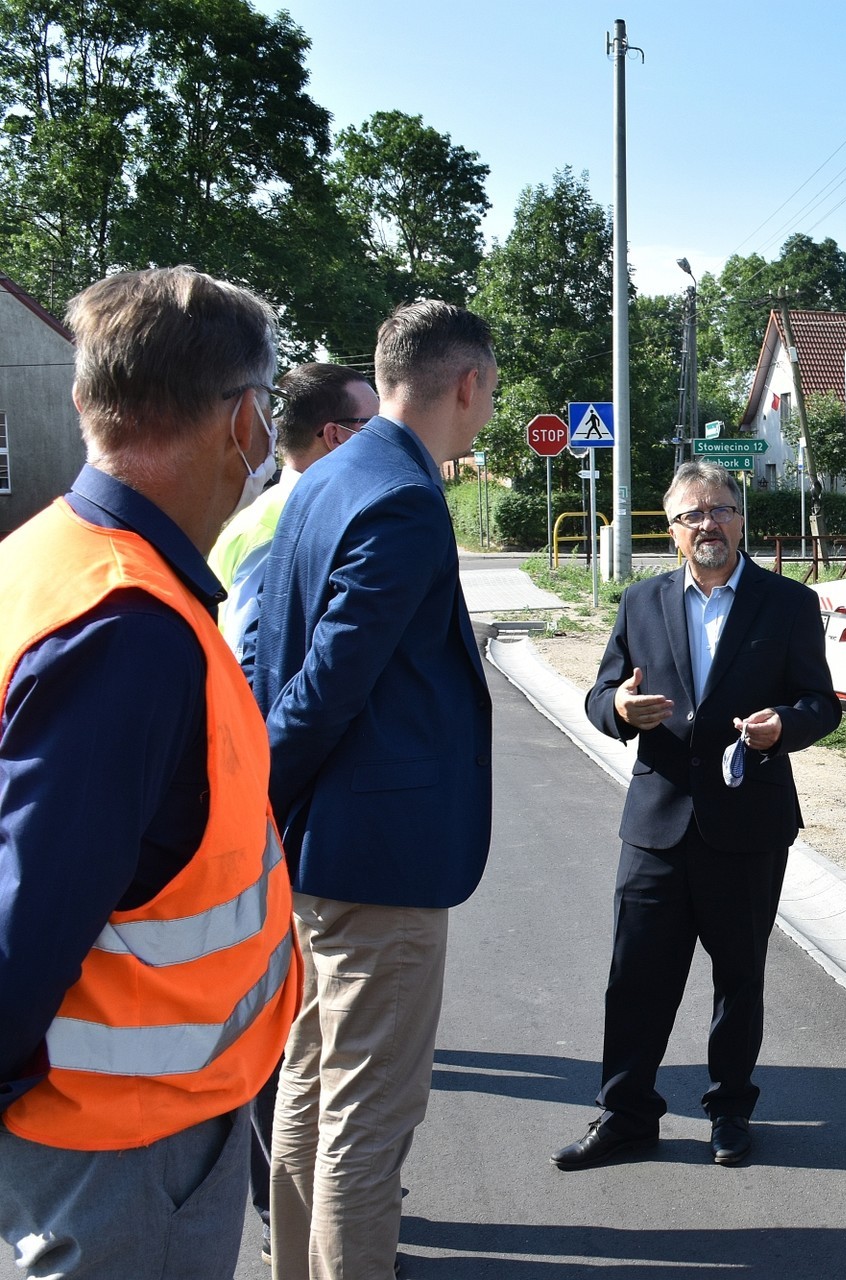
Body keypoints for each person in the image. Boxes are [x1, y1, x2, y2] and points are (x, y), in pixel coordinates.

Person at [0, 266, 299, 1277]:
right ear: (243, 422)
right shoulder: (129, 628)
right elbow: (28, 919)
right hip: (120, 1146)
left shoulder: (47, 558)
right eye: (266, 410)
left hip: (109, 1131)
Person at [248, 301, 496, 1279]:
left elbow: (280, 659)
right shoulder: (401, 494)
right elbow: (324, 685)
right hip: (378, 862)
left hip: (324, 850)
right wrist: (263, 793)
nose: (487, 409)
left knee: (313, 1084)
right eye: (489, 391)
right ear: (466, 384)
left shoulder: (326, 474)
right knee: (368, 1117)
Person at [553, 459, 840, 1172]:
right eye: (691, 515)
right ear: (673, 529)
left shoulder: (788, 603)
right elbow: (599, 696)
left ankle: (730, 1111)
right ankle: (625, 1115)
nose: (707, 524)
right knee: (635, 977)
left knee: (739, 979)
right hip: (656, 822)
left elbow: (821, 703)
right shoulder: (640, 601)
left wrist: (786, 726)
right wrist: (620, 710)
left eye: (719, 510)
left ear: (740, 519)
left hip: (748, 823)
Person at [209, 360, 377, 1262]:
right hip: (276, 803)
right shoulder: (299, 514)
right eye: (372, 425)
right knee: (291, 1024)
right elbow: (261, 673)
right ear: (338, 437)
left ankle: (302, 1212)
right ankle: (297, 1222)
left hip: (265, 793)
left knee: (296, 1022)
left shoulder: (256, 517)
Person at [211, 363, 379, 653]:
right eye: (373, 426)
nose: (384, 439)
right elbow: (247, 659)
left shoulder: (281, 511)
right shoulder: (277, 528)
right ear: (335, 436)